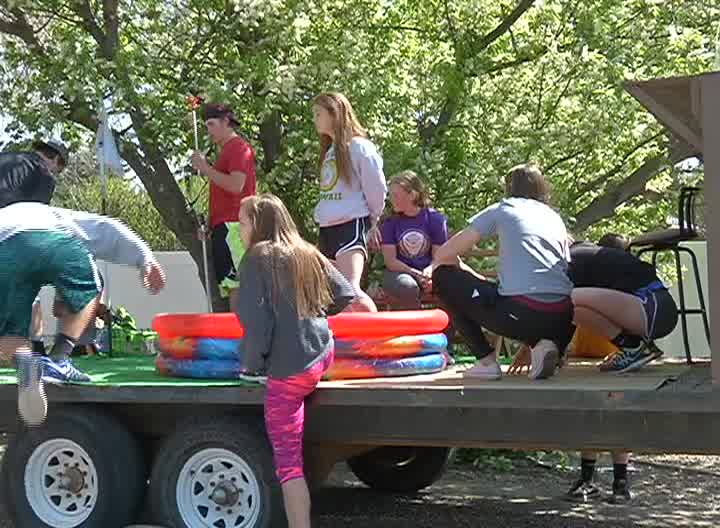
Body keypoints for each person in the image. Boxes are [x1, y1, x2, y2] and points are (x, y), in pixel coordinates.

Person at [233, 193, 355, 528]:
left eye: (242, 222)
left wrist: (252, 365)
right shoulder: (307, 252)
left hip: (288, 373)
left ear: (257, 224)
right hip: (319, 356)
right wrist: (314, 312)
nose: (239, 229)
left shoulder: (256, 258)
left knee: (289, 466)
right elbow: (345, 292)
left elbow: (257, 324)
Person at [430, 164, 575, 380]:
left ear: (509, 188)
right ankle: (541, 345)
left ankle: (486, 361)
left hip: (522, 314)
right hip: (562, 318)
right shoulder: (554, 218)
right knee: (524, 302)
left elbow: (443, 255)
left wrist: (461, 269)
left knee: (442, 276)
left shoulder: (504, 208)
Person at [0, 152, 98, 425]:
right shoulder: (42, 176)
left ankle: (30, 361)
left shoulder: (10, 161)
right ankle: (45, 358)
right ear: (53, 160)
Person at [312, 92, 387, 312]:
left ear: (334, 114)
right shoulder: (329, 151)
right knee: (330, 293)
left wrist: (373, 220)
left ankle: (374, 336)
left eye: (318, 113)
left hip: (351, 226)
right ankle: (347, 342)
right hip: (327, 228)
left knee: (351, 291)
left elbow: (376, 186)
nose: (315, 119)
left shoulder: (359, 147)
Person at [191, 102, 257, 301]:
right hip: (224, 227)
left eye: (211, 124)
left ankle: (242, 331)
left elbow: (237, 185)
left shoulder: (238, 148)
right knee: (230, 287)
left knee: (238, 286)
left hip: (235, 226)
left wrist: (205, 168)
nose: (208, 131)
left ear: (226, 122)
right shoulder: (226, 152)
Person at [380, 170, 449, 309]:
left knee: (449, 284)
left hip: (428, 272)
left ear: (412, 195)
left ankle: (445, 330)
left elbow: (439, 257)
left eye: (396, 195)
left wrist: (429, 272)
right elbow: (390, 261)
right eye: (390, 195)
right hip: (399, 273)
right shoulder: (390, 222)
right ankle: (414, 328)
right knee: (407, 287)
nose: (391, 199)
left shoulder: (435, 219)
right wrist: (415, 273)